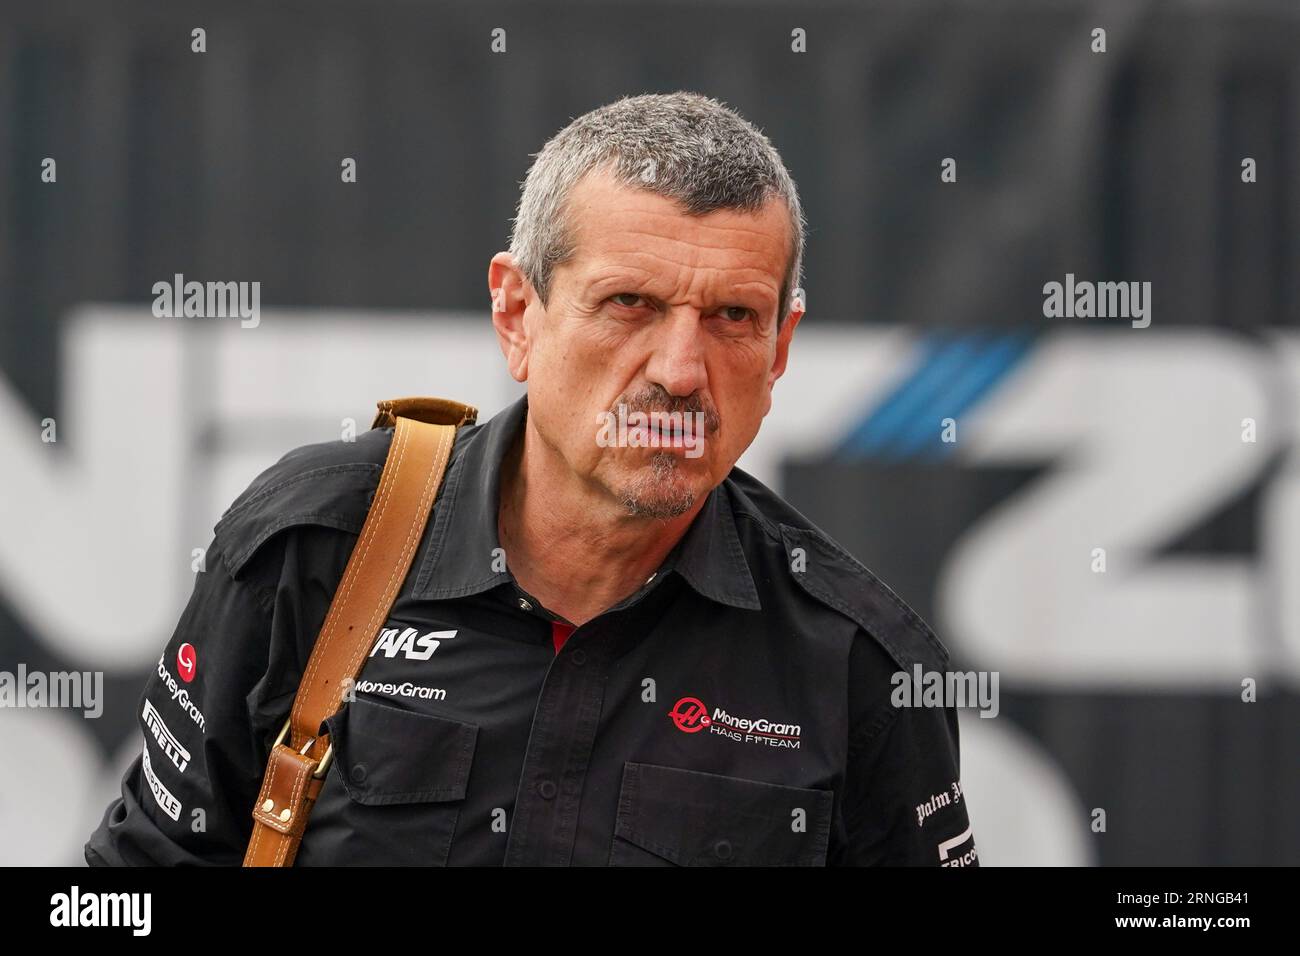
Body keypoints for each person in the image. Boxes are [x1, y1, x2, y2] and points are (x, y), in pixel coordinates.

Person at [86, 91, 977, 866]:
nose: (679, 368)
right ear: (518, 315)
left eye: (732, 316)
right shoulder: (315, 546)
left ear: (779, 348)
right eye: (629, 303)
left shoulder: (861, 665)